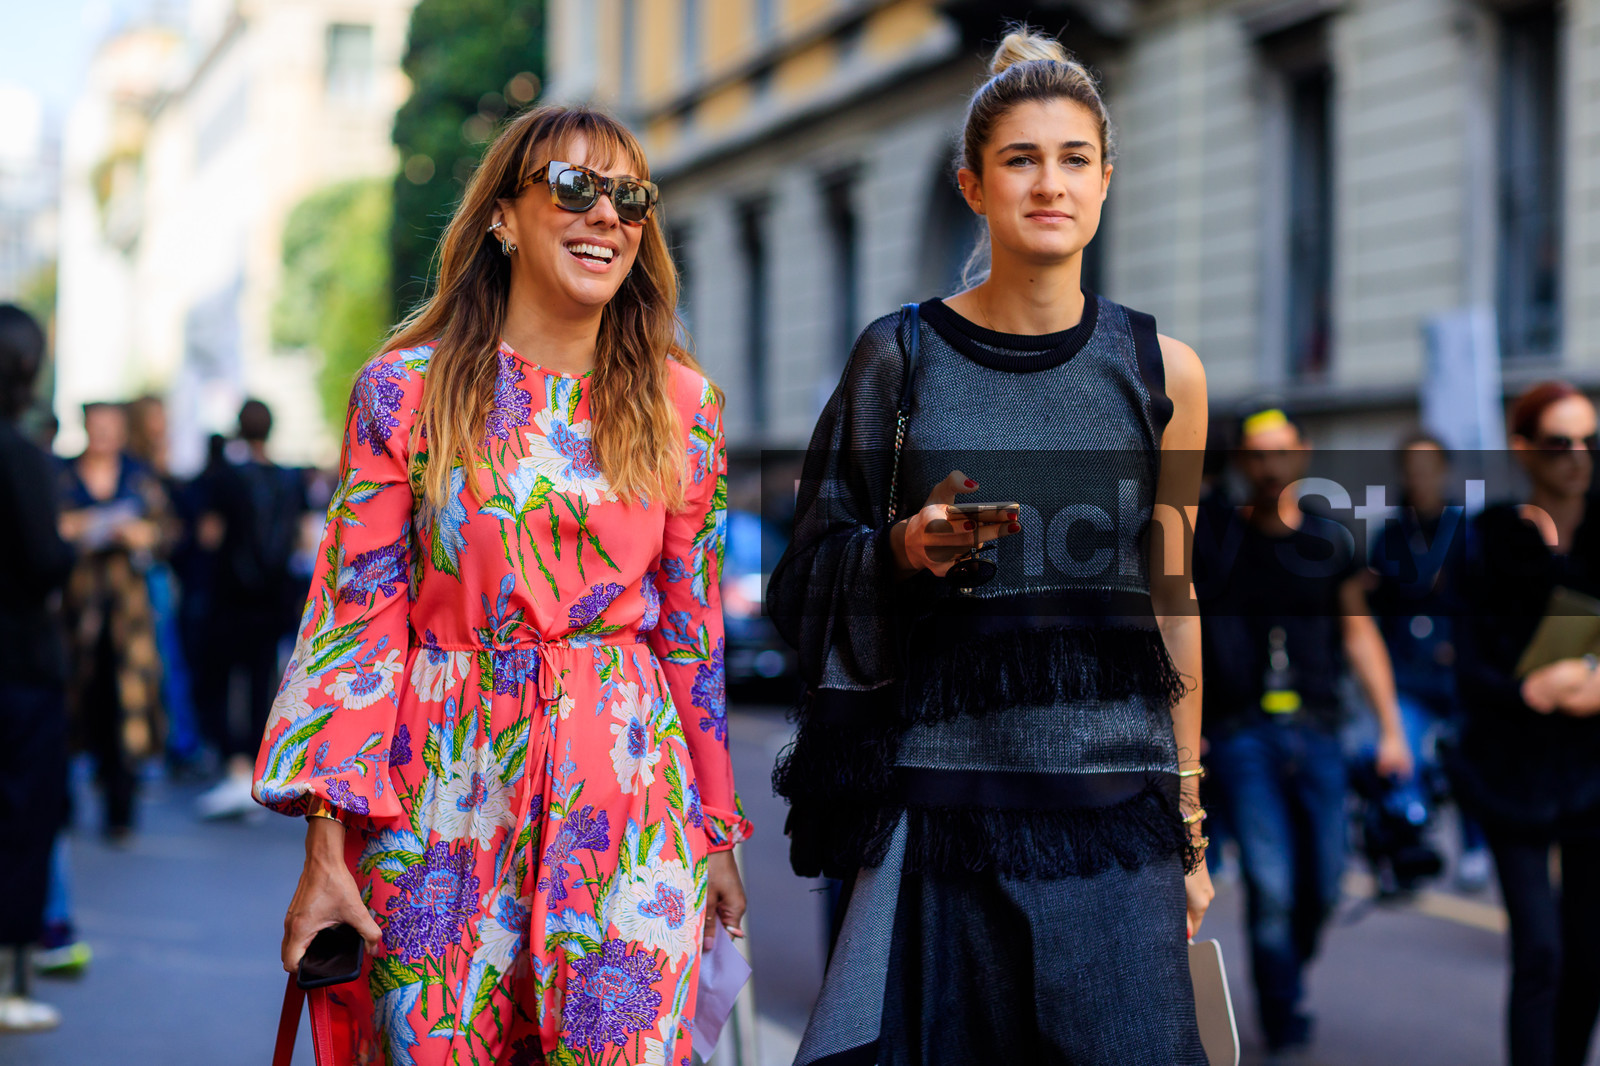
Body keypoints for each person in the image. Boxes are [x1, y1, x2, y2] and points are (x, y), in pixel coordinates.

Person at [252, 104, 751, 1065]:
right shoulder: (405, 390)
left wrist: (717, 831)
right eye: (573, 187)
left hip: (627, 804)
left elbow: (691, 633)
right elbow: (353, 624)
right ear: (502, 217)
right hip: (443, 796)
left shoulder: (685, 406)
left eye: (628, 197)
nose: (605, 214)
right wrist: (324, 853)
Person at [769, 27, 1211, 1063]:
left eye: (1071, 159)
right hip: (938, 807)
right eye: (1019, 159)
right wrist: (899, 549)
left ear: (1105, 181)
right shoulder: (901, 352)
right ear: (972, 185)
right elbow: (806, 565)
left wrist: (1188, 824)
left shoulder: (1166, 371)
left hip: (1118, 809)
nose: (1047, 183)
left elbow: (1175, 598)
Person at [1194, 406, 1413, 1060]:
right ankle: (1283, 1010)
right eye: (1256, 455)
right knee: (1271, 883)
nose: (1269, 466)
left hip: (1319, 728)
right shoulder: (1217, 541)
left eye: (1280, 452)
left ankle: (1290, 963)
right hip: (1241, 732)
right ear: (1240, 464)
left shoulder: (1330, 540)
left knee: (1323, 882)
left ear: (1303, 455)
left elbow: (1360, 632)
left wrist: (1392, 728)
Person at [1449, 381, 1600, 1066]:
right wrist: (1530, 689)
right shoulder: (1489, 537)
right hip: (1510, 768)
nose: (1577, 457)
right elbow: (1469, 664)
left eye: (1589, 442)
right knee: (1539, 948)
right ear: (1523, 449)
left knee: (1590, 953)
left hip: (1593, 766)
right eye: (1559, 442)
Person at [1366, 432, 1489, 892]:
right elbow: (1375, 602)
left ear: (1444, 470)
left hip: (1457, 670)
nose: (1419, 477)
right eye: (1411, 468)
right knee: (1396, 757)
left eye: (1428, 466)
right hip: (1406, 670)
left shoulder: (1466, 529)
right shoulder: (1391, 533)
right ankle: (1407, 845)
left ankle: (1475, 846)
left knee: (1468, 757)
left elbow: (1482, 597)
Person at [0, 305, 74, 1030]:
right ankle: (9, 983)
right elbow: (44, 561)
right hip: (21, 663)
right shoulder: (20, 456)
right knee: (25, 820)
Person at [57, 401, 171, 840]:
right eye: (95, 425)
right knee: (72, 705)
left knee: (126, 708)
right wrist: (78, 528)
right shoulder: (63, 475)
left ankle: (120, 810)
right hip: (77, 611)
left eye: (110, 426)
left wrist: (144, 535)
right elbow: (50, 528)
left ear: (122, 432)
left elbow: (167, 532)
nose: (102, 434)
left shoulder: (139, 476)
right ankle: (61, 806)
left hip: (128, 617)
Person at [196, 400, 309, 818]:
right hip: (274, 596)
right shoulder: (290, 479)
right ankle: (263, 768)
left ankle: (235, 767)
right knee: (265, 679)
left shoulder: (224, 479)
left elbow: (209, 536)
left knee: (227, 682)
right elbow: (299, 536)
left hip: (230, 596)